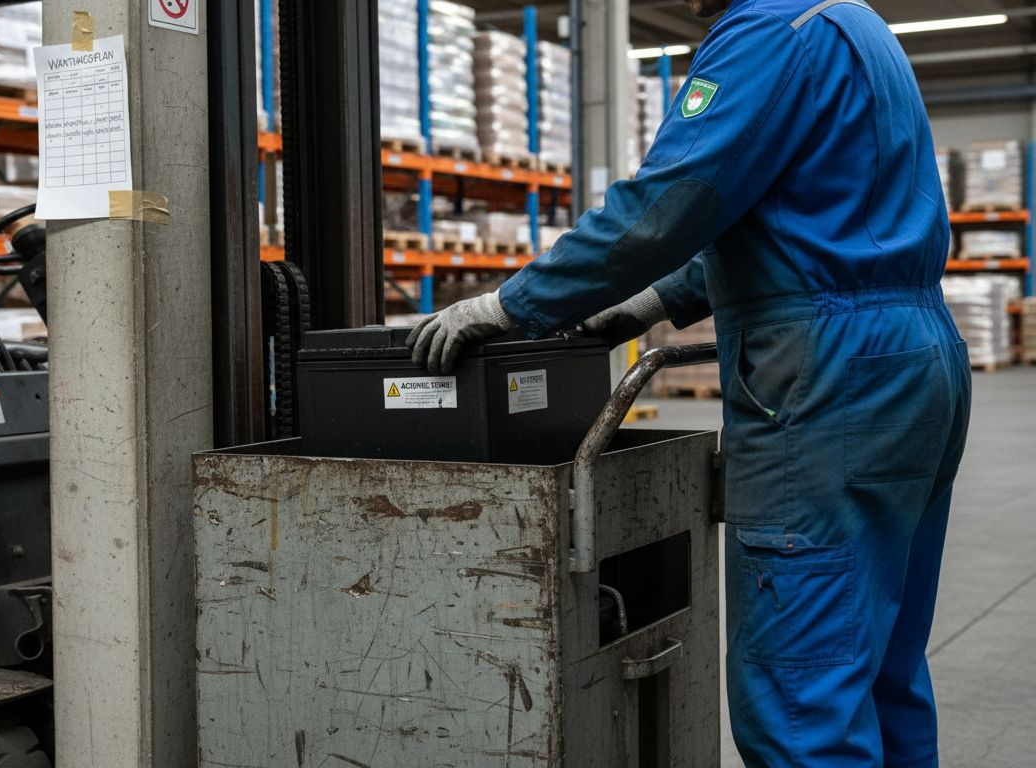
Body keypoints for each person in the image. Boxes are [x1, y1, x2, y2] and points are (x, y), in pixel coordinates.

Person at [407, 0, 972, 764]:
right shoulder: (853, 25)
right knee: (880, 669)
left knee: (802, 695)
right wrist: (649, 303)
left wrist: (509, 304)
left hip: (831, 383)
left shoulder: (767, 34)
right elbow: (791, 217)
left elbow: (663, 209)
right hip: (915, 359)